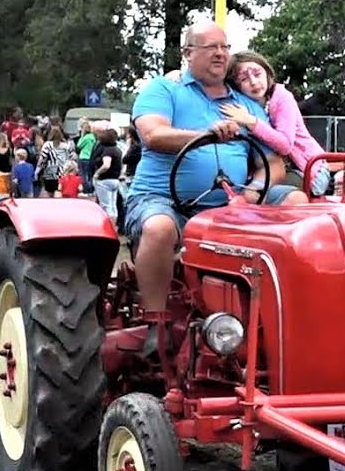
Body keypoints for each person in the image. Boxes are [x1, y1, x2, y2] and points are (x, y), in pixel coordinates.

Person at [126, 21, 306, 356]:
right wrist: (204, 134)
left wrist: (253, 193)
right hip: (164, 199)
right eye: (212, 48)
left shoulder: (246, 106)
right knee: (159, 228)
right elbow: (153, 135)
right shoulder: (164, 91)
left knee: (296, 202)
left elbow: (275, 163)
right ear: (188, 53)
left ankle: (286, 312)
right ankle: (157, 324)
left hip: (234, 201)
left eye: (225, 47)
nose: (221, 54)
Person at [224, 51, 331, 195]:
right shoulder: (245, 105)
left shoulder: (282, 98)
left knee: (262, 195)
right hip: (278, 168)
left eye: (257, 74)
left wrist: (251, 122)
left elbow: (285, 145)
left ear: (268, 73)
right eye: (244, 79)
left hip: (308, 170)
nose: (254, 82)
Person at [91, 128, 124, 222]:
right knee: (113, 206)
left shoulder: (107, 151)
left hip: (104, 180)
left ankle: (108, 226)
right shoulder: (117, 150)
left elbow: (106, 165)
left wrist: (97, 174)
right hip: (115, 180)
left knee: (106, 206)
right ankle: (114, 226)